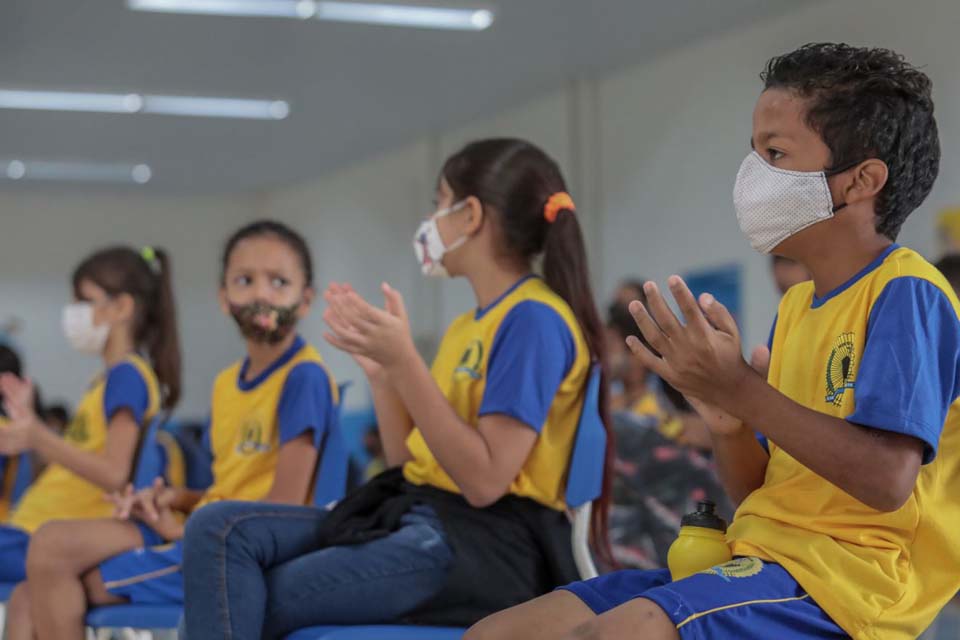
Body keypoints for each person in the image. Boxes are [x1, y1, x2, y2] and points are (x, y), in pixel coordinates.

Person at [467, 42, 956, 640]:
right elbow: (756, 489)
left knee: (621, 633)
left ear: (862, 182)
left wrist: (743, 391)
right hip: (759, 557)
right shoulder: (799, 305)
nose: (754, 174)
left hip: (852, 583)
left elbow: (887, 481)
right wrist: (728, 421)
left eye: (775, 153)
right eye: (754, 153)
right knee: (500, 633)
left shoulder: (908, 292)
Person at [179, 138, 612, 639]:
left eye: (438, 203)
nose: (431, 219)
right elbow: (412, 465)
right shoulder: (466, 327)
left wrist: (406, 362)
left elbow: (487, 480)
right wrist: (385, 376)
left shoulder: (532, 321)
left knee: (235, 597)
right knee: (218, 533)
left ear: (470, 215)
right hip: (424, 517)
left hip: (484, 547)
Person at [7, 221, 339, 640]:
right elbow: (233, 490)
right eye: (244, 280)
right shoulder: (225, 384)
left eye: (279, 282)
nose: (260, 294)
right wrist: (177, 499)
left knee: (54, 565)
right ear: (223, 297)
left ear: (306, 299)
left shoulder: (303, 377)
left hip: (228, 551)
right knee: (27, 595)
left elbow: (282, 514)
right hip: (209, 533)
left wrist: (184, 528)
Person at [0, 247, 180, 589]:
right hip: (31, 527)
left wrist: (38, 435)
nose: (75, 313)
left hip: (50, 535)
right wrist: (28, 429)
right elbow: (72, 464)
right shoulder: (106, 381)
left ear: (122, 307)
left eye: (85, 300)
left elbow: (115, 473)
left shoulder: (127, 376)